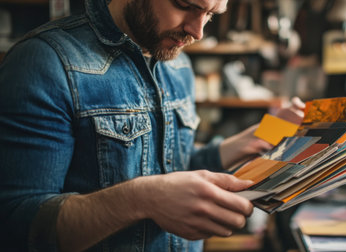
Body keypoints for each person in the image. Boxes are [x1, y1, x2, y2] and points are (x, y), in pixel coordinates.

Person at [0, 0, 305, 251]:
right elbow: (15, 224)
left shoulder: (177, 62)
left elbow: (172, 167)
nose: (197, 32)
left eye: (210, 14)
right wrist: (144, 199)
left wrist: (254, 139)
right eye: (185, 5)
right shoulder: (44, 61)